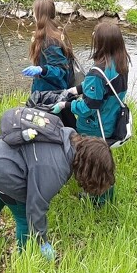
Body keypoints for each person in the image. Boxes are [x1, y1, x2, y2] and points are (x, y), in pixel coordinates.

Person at [0, 116, 114, 259]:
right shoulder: (56, 169)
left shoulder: (69, 136)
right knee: (24, 216)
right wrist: (42, 241)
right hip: (1, 168)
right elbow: (35, 207)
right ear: (89, 169)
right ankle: (24, 257)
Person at [57, 21, 129, 204]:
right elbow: (104, 89)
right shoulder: (121, 64)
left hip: (95, 127)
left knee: (93, 159)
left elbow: (89, 107)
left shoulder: (97, 72)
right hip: (111, 121)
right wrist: (77, 90)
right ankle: (107, 193)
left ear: (100, 43)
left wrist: (66, 105)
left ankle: (97, 197)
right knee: (104, 158)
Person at [21, 0, 78, 128]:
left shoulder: (50, 40)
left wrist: (42, 70)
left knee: (53, 129)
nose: (33, 14)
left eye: (34, 11)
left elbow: (61, 71)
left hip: (51, 96)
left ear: (39, 14)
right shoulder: (54, 32)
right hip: (49, 93)